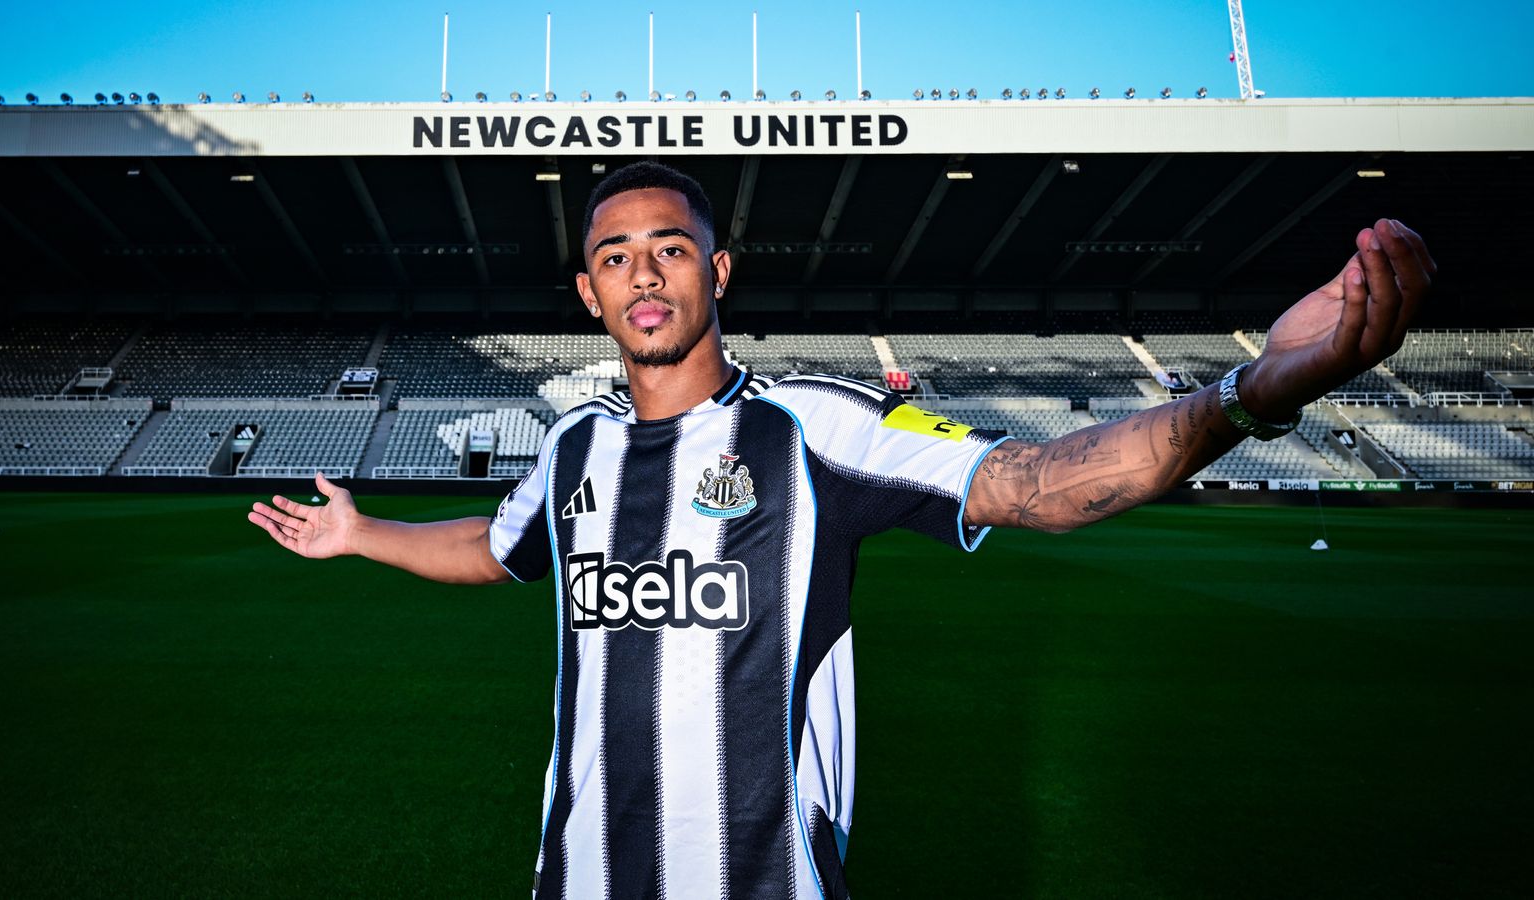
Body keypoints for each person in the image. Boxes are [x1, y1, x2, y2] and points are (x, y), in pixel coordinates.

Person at [248, 161, 1435, 899]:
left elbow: (1036, 482)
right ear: (588, 295)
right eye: (614, 257)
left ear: (717, 271)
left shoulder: (816, 428)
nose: (642, 273)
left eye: (668, 249)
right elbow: (498, 550)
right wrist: (362, 536)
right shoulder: (574, 446)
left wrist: (1247, 396)